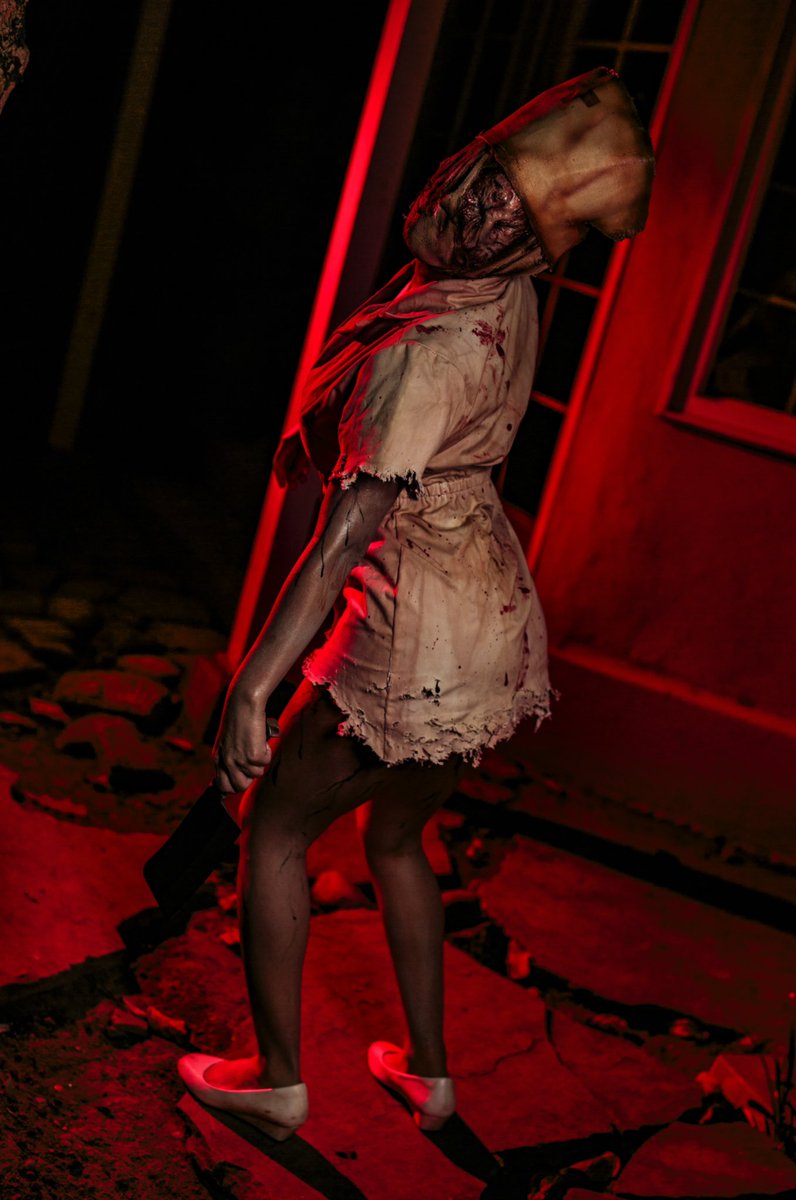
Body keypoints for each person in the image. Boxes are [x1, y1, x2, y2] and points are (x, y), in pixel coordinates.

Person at [177, 66, 654, 1141]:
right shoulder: (505, 297)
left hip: (419, 630)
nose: (454, 201)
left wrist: (253, 688)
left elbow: (344, 539)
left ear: (515, 236)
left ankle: (276, 1078)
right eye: (473, 177)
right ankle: (430, 1074)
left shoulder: (422, 351)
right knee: (396, 838)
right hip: (492, 617)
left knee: (275, 827)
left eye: (490, 201)